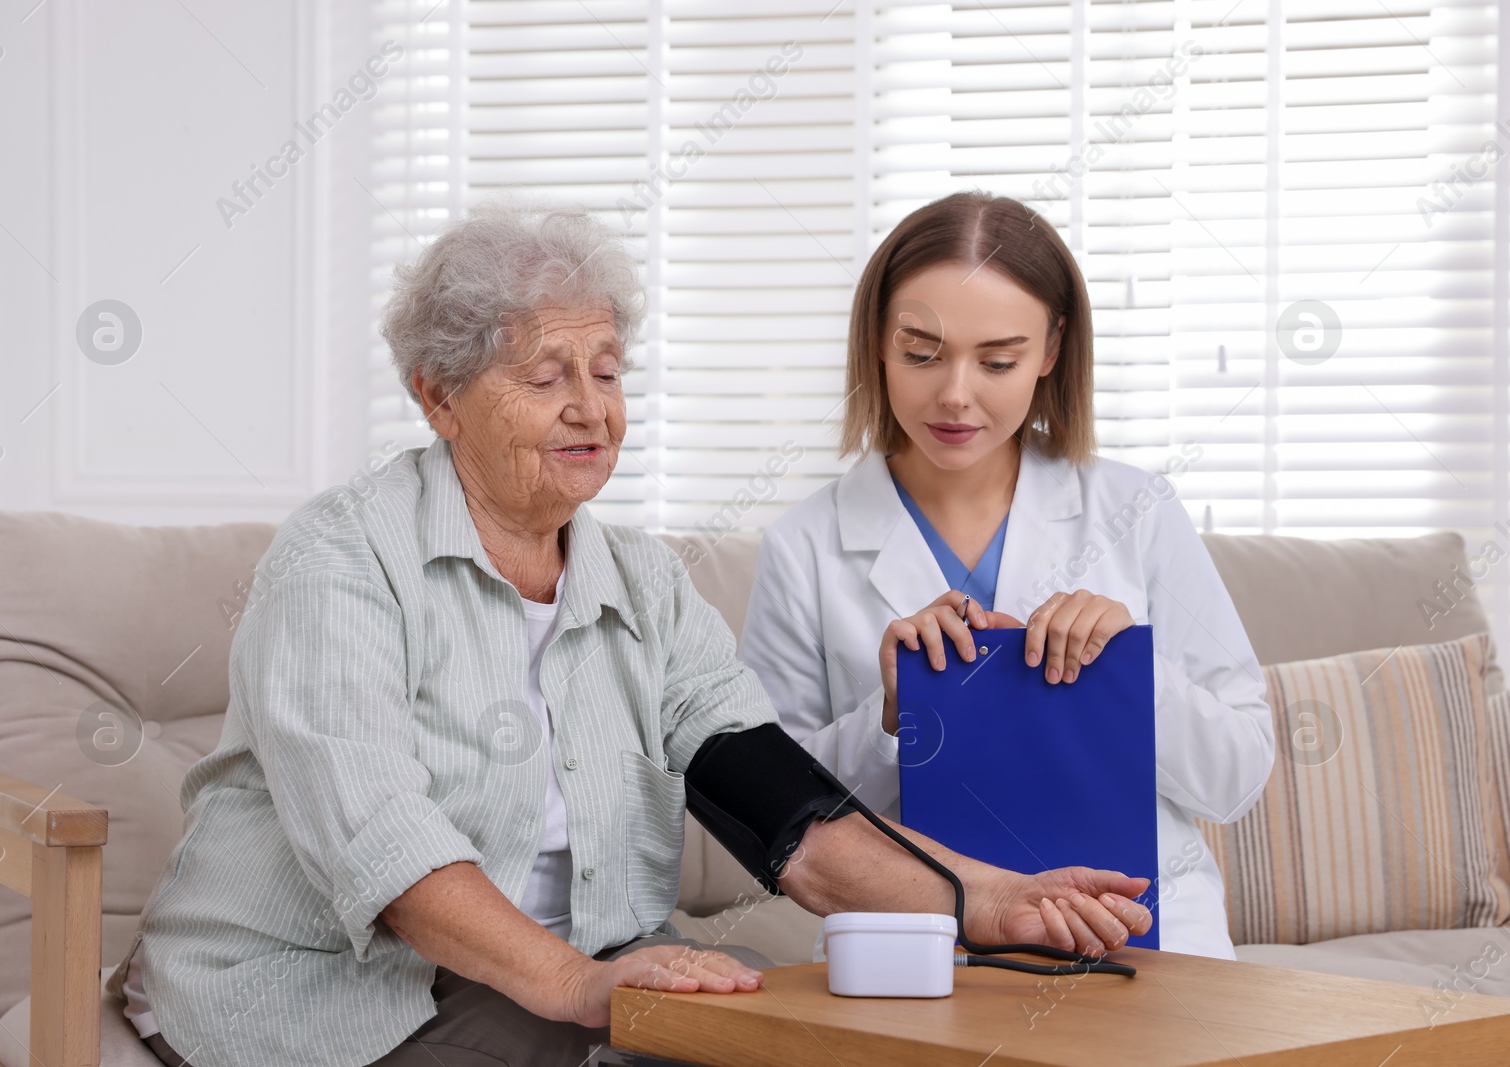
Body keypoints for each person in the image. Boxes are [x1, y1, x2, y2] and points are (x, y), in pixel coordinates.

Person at [110, 201, 1153, 1067]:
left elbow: (783, 806)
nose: (590, 411)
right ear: (438, 396)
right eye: (544, 375)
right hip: (323, 993)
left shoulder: (640, 581)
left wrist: (984, 897)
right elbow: (383, 844)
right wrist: (578, 982)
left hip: (564, 974)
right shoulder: (340, 561)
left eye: (607, 372)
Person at [740, 191, 1274, 960]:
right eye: (922, 352)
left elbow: (1238, 777)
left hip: (1142, 936)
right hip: (919, 947)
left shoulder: (1138, 509)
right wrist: (890, 713)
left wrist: (1130, 673)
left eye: (998, 360)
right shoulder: (804, 545)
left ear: (1052, 350)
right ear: (878, 344)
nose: (955, 392)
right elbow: (776, 815)